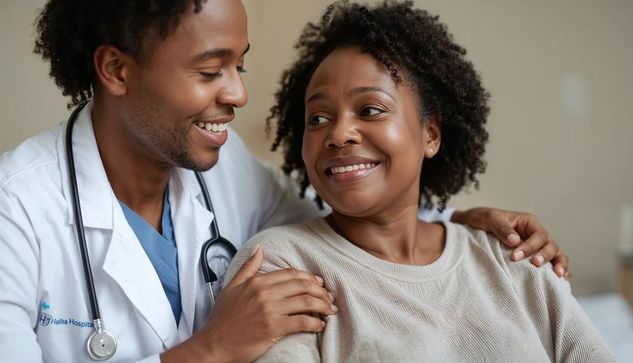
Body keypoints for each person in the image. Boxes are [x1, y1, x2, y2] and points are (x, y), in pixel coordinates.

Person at [0, 0, 568, 362]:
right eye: (208, 70)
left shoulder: (224, 169)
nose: (238, 94)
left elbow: (349, 213)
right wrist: (212, 350)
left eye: (238, 66)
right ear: (117, 70)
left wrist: (464, 224)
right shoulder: (16, 209)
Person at [223, 1, 615, 362]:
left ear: (430, 135)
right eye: (318, 119)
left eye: (371, 109)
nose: (339, 133)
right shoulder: (282, 265)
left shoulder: (513, 257)